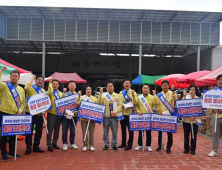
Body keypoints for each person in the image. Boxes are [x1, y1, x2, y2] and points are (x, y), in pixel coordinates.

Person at [0, 66, 25, 161]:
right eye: (13, 75)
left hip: (15, 114)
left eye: (16, 76)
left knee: (13, 134)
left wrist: (20, 109)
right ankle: (3, 153)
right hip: (4, 113)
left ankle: (11, 152)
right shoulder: (4, 86)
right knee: (4, 135)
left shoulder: (21, 90)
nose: (14, 77)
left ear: (19, 78)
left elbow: (22, 103)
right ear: (10, 77)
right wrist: (1, 71)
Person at [24, 75, 50, 155]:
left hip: (39, 115)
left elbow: (46, 103)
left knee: (39, 131)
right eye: (38, 80)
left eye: (42, 80)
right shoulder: (31, 88)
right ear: (36, 81)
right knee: (29, 131)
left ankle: (36, 146)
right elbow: (26, 88)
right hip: (30, 113)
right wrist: (31, 79)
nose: (40, 81)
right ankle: (28, 147)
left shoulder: (43, 91)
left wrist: (45, 111)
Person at [153, 80, 177, 153]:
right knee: (160, 132)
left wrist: (173, 90)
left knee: (169, 132)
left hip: (169, 115)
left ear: (168, 86)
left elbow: (175, 98)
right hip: (161, 115)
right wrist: (158, 110)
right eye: (163, 85)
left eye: (166, 85)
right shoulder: (159, 95)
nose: (164, 86)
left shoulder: (171, 93)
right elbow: (157, 104)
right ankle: (160, 146)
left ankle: (168, 147)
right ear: (161, 86)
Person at [98, 82, 122, 151]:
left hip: (114, 117)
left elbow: (120, 105)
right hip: (106, 117)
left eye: (111, 86)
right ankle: (106, 144)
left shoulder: (117, 96)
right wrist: (100, 94)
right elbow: (99, 103)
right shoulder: (103, 95)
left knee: (114, 132)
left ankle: (114, 144)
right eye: (108, 86)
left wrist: (115, 112)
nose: (110, 87)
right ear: (106, 88)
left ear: (113, 87)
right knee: (105, 132)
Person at [182, 84, 204, 155]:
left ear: (195, 91)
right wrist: (184, 97)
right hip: (186, 120)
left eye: (193, 90)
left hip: (194, 121)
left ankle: (193, 149)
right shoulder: (185, 98)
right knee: (186, 135)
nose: (191, 91)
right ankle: (186, 148)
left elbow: (200, 111)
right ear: (188, 91)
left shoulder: (198, 99)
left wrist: (194, 116)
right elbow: (181, 108)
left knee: (193, 135)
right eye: (190, 89)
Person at [76, 85, 98, 151]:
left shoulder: (94, 99)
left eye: (89, 89)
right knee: (84, 132)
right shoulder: (82, 97)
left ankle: (91, 145)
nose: (88, 90)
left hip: (91, 119)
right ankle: (85, 145)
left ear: (91, 91)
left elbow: (97, 107)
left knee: (91, 132)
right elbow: (77, 102)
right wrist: (79, 96)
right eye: (87, 89)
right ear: (85, 91)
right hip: (83, 118)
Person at [117, 79, 137, 150]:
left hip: (130, 114)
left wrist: (133, 95)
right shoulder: (121, 93)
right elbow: (119, 102)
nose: (127, 84)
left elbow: (135, 102)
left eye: (128, 83)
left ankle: (130, 144)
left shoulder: (133, 92)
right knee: (123, 130)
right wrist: (122, 105)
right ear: (123, 84)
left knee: (130, 130)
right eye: (125, 83)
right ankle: (123, 143)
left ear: (130, 85)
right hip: (122, 114)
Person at [134, 84, 154, 152]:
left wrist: (155, 95)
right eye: (144, 88)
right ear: (142, 89)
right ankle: (140, 145)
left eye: (146, 88)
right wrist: (138, 111)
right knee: (140, 131)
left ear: (149, 89)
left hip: (148, 117)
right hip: (141, 117)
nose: (145, 89)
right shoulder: (139, 97)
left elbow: (156, 104)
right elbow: (136, 106)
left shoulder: (152, 97)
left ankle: (148, 145)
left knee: (148, 132)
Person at [47, 79, 63, 152]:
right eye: (53, 84)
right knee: (50, 130)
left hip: (59, 114)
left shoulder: (60, 93)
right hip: (51, 113)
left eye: (56, 84)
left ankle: (54, 143)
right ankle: (49, 144)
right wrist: (49, 83)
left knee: (57, 130)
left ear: (58, 85)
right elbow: (49, 92)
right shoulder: (50, 92)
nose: (55, 85)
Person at [62, 80, 79, 150]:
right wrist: (63, 93)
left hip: (73, 116)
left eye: (73, 84)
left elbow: (79, 105)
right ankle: (65, 143)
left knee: (72, 130)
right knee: (64, 130)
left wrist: (76, 112)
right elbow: (61, 104)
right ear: (68, 86)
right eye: (70, 84)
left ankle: (72, 143)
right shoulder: (65, 94)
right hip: (66, 116)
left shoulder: (78, 95)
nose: (72, 86)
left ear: (75, 86)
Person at [208, 74, 222, 157]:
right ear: (217, 81)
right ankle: (214, 150)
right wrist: (212, 109)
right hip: (216, 116)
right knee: (215, 134)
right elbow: (208, 104)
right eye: (219, 80)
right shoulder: (213, 92)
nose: (221, 81)